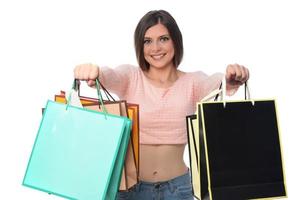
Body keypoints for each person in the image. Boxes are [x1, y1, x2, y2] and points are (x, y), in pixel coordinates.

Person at [74, 10, 249, 200]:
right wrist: (95, 72)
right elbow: (110, 75)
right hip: (130, 190)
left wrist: (230, 79)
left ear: (175, 41)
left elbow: (216, 84)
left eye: (163, 39)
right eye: (147, 41)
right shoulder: (131, 77)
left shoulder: (192, 82)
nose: (155, 48)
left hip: (179, 189)